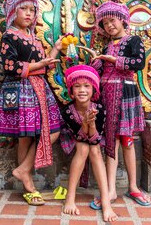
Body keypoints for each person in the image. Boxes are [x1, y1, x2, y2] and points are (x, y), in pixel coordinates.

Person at [0, 0, 63, 206]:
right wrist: (39, 65)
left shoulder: (33, 38)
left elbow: (43, 65)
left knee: (52, 131)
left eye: (32, 10)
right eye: (23, 9)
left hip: (39, 88)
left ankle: (24, 170)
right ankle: (28, 185)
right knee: (24, 136)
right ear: (13, 11)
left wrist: (55, 50)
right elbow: (10, 66)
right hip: (21, 88)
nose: (28, 14)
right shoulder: (9, 36)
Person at [90, 0, 151, 207]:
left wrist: (114, 60)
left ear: (123, 21)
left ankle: (133, 187)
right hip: (107, 95)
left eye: (112, 20)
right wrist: (96, 62)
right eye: (105, 23)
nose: (109, 26)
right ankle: (111, 190)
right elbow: (99, 72)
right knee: (110, 142)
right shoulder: (106, 46)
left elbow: (138, 63)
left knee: (127, 140)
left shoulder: (134, 40)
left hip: (125, 92)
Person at [60, 65, 118, 222]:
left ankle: (106, 202)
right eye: (77, 86)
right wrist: (84, 122)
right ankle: (70, 197)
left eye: (87, 86)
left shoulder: (99, 109)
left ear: (94, 90)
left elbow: (95, 139)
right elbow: (79, 136)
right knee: (83, 149)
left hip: (94, 139)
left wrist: (90, 124)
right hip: (75, 138)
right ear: (71, 91)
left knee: (94, 150)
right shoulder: (67, 111)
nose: (82, 90)